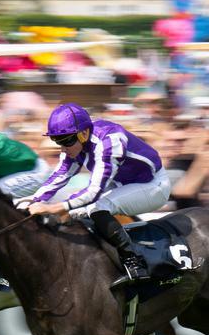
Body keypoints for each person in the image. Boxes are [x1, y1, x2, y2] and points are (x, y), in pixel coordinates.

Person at [18, 103, 171, 288]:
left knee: (97, 208)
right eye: (57, 141)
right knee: (74, 211)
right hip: (123, 184)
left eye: (66, 141)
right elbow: (60, 175)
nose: (62, 147)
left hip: (152, 185)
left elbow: (94, 192)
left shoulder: (109, 142)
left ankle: (134, 264)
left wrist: (52, 207)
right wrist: (35, 200)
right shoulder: (77, 142)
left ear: (83, 134)